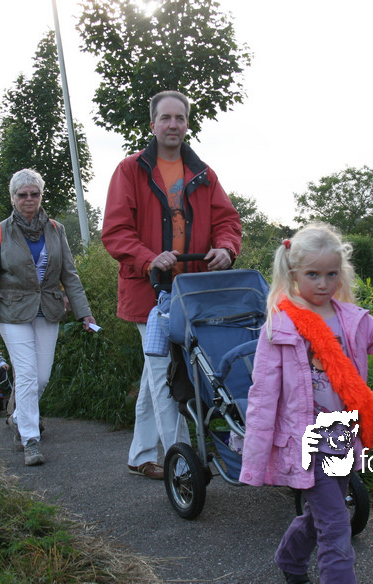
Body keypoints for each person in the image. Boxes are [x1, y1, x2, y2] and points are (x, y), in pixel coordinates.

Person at [239, 223, 373, 584]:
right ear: (293, 273)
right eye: (312, 274)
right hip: (307, 444)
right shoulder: (280, 328)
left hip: (342, 438)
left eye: (331, 274)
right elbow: (263, 397)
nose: (323, 283)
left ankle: (290, 558)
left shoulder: (355, 322)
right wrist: (255, 458)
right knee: (336, 524)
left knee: (323, 514)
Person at [101, 90, 242, 480]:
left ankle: (141, 455)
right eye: (165, 118)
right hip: (151, 292)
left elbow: (228, 222)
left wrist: (226, 249)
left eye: (179, 118)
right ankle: (183, 464)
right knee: (166, 373)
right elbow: (115, 231)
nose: (173, 124)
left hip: (194, 292)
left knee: (156, 374)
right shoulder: (130, 170)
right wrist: (149, 257)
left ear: (187, 124)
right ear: (152, 125)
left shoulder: (203, 173)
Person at [0, 168, 96, 466]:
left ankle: (18, 416)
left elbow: (69, 274)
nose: (29, 199)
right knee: (27, 375)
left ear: (41, 196)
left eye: (34, 194)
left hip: (48, 310)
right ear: (13, 198)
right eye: (22, 195)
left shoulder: (56, 229)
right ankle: (30, 439)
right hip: (12, 313)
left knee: (41, 377)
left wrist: (84, 312)